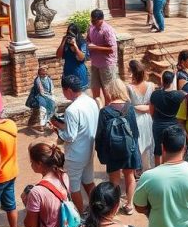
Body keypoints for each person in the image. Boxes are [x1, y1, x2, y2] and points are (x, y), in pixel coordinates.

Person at [53, 74, 100, 214]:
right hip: (89, 149)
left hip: (76, 154)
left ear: (68, 90)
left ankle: (80, 216)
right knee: (88, 181)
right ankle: (99, 210)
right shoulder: (91, 101)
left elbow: (70, 136)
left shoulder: (71, 110)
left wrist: (57, 131)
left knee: (74, 188)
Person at [96, 79, 141, 214]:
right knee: (130, 177)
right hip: (129, 148)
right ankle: (129, 205)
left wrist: (102, 154)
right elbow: (135, 131)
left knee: (114, 181)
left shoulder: (105, 111)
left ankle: (114, 207)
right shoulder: (129, 108)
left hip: (112, 149)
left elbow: (100, 135)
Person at [151, 71, 186, 166]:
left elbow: (151, 111)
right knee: (175, 148)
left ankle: (158, 170)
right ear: (172, 81)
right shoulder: (180, 95)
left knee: (158, 150)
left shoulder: (155, 94)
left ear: (162, 81)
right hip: (175, 125)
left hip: (158, 125)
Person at [126, 60, 155, 172]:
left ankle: (138, 169)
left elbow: (128, 105)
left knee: (137, 143)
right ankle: (148, 168)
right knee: (149, 142)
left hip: (135, 118)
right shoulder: (151, 85)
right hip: (148, 117)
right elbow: (152, 105)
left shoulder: (129, 87)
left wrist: (136, 107)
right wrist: (146, 108)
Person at [87, 9, 118, 106]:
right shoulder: (92, 28)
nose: (93, 23)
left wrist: (95, 47)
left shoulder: (107, 30)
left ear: (101, 19)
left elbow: (112, 49)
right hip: (95, 63)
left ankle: (110, 111)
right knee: (95, 88)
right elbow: (88, 39)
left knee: (107, 91)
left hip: (106, 64)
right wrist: (88, 43)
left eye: (95, 21)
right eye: (92, 21)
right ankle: (98, 110)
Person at [58, 24, 91, 90]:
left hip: (79, 73)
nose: (70, 36)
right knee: (70, 93)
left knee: (81, 95)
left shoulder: (82, 43)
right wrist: (63, 42)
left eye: (72, 34)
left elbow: (81, 58)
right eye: (68, 34)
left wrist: (75, 45)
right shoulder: (65, 43)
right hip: (68, 72)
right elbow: (58, 55)